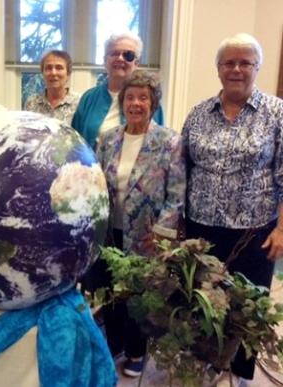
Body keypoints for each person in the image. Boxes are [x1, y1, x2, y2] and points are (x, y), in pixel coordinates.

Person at [183, 33, 283, 387]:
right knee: (204, 300)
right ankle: (207, 361)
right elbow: (184, 169)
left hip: (254, 231)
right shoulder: (198, 114)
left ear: (258, 68)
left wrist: (282, 229)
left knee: (248, 306)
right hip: (201, 229)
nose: (237, 69)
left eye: (245, 63)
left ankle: (240, 372)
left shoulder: (276, 113)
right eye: (229, 62)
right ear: (219, 68)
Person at [97, 70, 185, 377]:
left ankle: (136, 351)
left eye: (143, 98)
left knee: (140, 295)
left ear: (154, 102)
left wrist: (162, 234)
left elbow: (176, 195)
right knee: (112, 289)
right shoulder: (108, 139)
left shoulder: (170, 141)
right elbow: (96, 184)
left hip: (147, 234)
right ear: (122, 102)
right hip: (111, 231)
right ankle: (115, 343)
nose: (135, 103)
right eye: (130, 97)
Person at [72, 32, 164, 149]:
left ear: (136, 63)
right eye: (114, 53)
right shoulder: (89, 98)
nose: (120, 58)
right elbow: (74, 143)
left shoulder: (150, 100)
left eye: (128, 55)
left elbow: (160, 143)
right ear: (105, 60)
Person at [24, 50, 80, 126]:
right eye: (49, 68)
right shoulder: (32, 103)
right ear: (42, 73)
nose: (53, 73)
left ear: (68, 73)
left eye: (59, 68)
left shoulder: (79, 103)